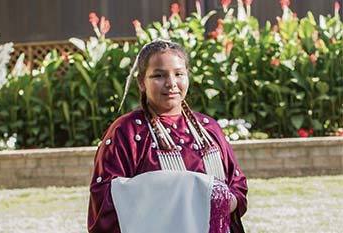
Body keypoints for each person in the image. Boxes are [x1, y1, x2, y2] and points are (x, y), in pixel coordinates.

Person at [87, 39, 248, 233]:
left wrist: (220, 201)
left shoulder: (209, 129)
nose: (171, 83)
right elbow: (104, 199)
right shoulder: (127, 133)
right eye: (159, 75)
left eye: (179, 74)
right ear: (141, 82)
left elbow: (236, 185)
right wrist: (174, 196)